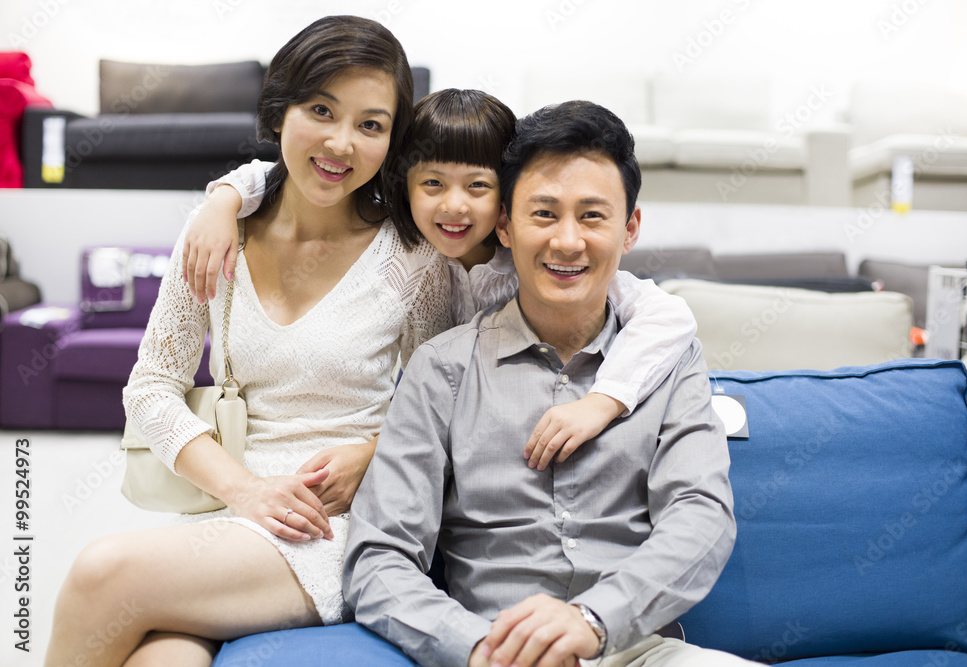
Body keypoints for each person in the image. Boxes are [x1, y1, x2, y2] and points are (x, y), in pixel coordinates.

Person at [44, 16, 451, 667]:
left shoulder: (411, 256)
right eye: (321, 109)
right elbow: (151, 387)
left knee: (100, 572)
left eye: (371, 125)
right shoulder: (216, 231)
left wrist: (372, 453)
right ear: (281, 108)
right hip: (229, 511)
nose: (342, 142)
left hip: (339, 525)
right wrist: (242, 489)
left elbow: (454, 402)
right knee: (160, 660)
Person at [342, 101, 752, 667]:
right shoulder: (443, 369)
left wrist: (594, 619)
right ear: (505, 226)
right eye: (543, 214)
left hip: (640, 650)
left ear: (629, 229)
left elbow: (701, 515)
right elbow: (379, 557)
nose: (566, 241)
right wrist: (478, 647)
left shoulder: (668, 361)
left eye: (591, 216)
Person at [183, 89, 698, 470]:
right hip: (435, 433)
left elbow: (668, 313)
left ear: (508, 202)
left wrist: (604, 400)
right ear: (403, 189)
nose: (453, 206)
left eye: (478, 186)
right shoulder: (405, 248)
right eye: (432, 184)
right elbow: (283, 177)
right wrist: (225, 196)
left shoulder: (536, 258)